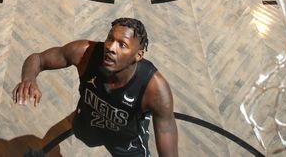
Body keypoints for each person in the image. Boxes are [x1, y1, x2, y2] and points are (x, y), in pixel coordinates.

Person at [13, 18, 178, 156]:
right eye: (110, 39)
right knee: (81, 130)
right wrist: (28, 79)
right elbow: (39, 59)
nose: (111, 48)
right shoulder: (85, 53)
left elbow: (166, 130)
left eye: (122, 45)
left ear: (138, 55)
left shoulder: (155, 88)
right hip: (88, 122)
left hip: (126, 139)